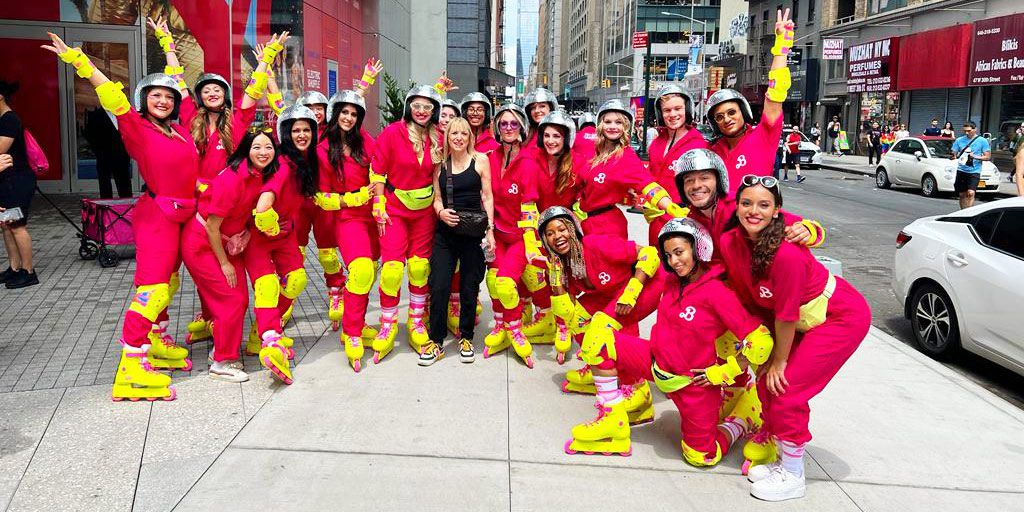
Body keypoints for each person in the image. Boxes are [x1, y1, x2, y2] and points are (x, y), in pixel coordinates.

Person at [44, 32, 206, 400]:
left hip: (185, 214)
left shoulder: (179, 131)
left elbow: (189, 172)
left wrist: (168, 46)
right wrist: (80, 62)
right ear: (144, 101)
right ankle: (131, 364)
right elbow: (111, 96)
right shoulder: (136, 127)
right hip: (158, 216)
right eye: (155, 95)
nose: (163, 100)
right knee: (153, 289)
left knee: (171, 283)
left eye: (168, 96)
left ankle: (157, 339)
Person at [564, 217, 773, 467]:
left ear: (698, 248)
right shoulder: (672, 280)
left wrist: (725, 371)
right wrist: (623, 300)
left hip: (693, 384)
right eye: (669, 255)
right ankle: (613, 423)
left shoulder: (717, 292)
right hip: (655, 363)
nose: (674, 261)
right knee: (598, 337)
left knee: (701, 457)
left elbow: (760, 341)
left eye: (679, 252)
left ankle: (742, 419)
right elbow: (643, 281)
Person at [719, 175, 870, 501]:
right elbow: (753, 299)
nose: (753, 211)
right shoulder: (731, 242)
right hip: (796, 322)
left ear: (777, 212)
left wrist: (780, 360)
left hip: (838, 318)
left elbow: (786, 314)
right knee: (764, 385)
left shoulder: (786, 253)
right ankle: (777, 454)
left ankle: (793, 473)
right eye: (747, 203)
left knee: (785, 388)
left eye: (763, 205)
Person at [149, 18, 285, 345]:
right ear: (199, 97)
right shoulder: (188, 117)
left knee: (225, 264)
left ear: (224, 95)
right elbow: (177, 79)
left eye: (217, 89)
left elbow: (254, 87)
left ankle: (221, 319)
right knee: (182, 268)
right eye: (206, 89)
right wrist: (167, 43)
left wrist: (267, 58)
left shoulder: (238, 119)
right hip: (191, 206)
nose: (211, 92)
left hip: (229, 204)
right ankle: (174, 328)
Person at [539, 206, 664, 415]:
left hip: (644, 284)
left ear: (572, 228)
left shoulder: (596, 244)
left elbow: (649, 255)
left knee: (602, 330)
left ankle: (638, 390)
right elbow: (564, 311)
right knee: (577, 319)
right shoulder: (563, 262)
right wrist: (555, 275)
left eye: (561, 229)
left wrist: (632, 292)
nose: (557, 237)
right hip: (607, 293)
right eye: (549, 234)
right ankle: (602, 368)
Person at [184, 125, 277, 383]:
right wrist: (224, 263)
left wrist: (245, 233)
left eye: (268, 147)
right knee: (230, 300)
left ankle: (220, 349)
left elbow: (247, 214)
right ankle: (223, 361)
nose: (263, 152)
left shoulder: (260, 175)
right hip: (203, 245)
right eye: (256, 146)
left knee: (240, 298)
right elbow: (213, 226)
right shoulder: (233, 178)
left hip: (228, 243)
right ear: (246, 150)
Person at [241, 106, 319, 384]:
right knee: (267, 286)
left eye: (306, 130)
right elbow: (262, 207)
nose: (301, 134)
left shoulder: (305, 162)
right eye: (296, 130)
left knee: (296, 281)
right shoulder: (284, 164)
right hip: (261, 237)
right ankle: (271, 339)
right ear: (286, 133)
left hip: (284, 235)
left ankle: (257, 333)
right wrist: (272, 226)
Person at [369, 85, 442, 362]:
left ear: (434, 111)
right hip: (395, 209)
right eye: (417, 106)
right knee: (391, 270)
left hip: (424, 212)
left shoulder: (439, 136)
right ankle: (387, 324)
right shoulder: (392, 133)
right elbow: (377, 170)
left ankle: (415, 321)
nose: (422, 111)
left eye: (428, 107)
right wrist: (378, 204)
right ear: (409, 107)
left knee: (420, 268)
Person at [316, 89, 385, 371]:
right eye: (344, 112)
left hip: (372, 216)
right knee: (361, 270)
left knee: (367, 272)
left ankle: (359, 320)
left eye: (354, 114)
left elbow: (380, 170)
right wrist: (351, 198)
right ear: (336, 114)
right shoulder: (322, 148)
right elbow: (319, 196)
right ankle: (352, 331)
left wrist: (379, 200)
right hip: (347, 218)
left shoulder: (365, 141)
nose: (348, 117)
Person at [422, 117, 495, 366]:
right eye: (454, 133)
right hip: (446, 232)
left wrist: (490, 230)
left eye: (464, 133)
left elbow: (487, 196)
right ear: (448, 136)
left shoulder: (481, 160)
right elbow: (437, 197)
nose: (459, 137)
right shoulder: (441, 164)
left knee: (469, 286)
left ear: (470, 137)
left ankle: (466, 337)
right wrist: (441, 212)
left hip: (473, 232)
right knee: (439, 284)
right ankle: (436, 341)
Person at [706, 9, 794, 196]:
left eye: (731, 112)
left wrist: (782, 46)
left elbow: (775, 94)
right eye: (719, 117)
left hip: (756, 220)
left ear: (743, 112)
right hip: (720, 223)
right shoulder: (712, 151)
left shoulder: (764, 135)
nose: (727, 119)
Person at [518, 111, 584, 352]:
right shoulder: (532, 158)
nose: (551, 140)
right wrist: (530, 240)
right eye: (546, 135)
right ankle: (557, 324)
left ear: (566, 137)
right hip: (542, 229)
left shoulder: (578, 161)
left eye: (557, 135)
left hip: (569, 228)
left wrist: (577, 220)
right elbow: (527, 201)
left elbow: (584, 196)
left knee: (572, 278)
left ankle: (568, 324)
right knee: (553, 277)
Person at [481, 103, 541, 368]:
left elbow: (530, 204)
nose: (508, 128)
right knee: (494, 282)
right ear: (496, 127)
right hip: (495, 234)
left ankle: (514, 328)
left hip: (518, 236)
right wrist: (487, 231)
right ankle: (499, 325)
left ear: (522, 128)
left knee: (506, 284)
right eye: (503, 124)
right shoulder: (489, 157)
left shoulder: (529, 161)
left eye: (513, 124)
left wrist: (529, 241)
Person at [575, 99, 685, 240]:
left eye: (618, 122)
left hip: (607, 227)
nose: (612, 126)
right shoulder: (596, 153)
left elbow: (647, 185)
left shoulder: (626, 156)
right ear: (600, 125)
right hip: (587, 223)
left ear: (626, 126)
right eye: (608, 122)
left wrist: (670, 207)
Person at [645, 84, 709, 245]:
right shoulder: (656, 144)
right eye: (667, 110)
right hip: (656, 221)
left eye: (678, 108)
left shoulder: (698, 145)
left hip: (684, 221)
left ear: (687, 110)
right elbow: (649, 180)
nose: (672, 114)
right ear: (661, 113)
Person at [0, 79, 39, 289]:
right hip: (6, 182)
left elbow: (0, 150)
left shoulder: (9, 120)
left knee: (17, 226)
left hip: (17, 182)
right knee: (6, 225)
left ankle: (28, 271)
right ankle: (14, 268)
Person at [83, 107, 132, 198]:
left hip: (121, 156)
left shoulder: (124, 114)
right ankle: (106, 209)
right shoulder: (96, 115)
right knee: (105, 186)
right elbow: (89, 135)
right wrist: (98, 151)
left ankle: (127, 209)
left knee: (124, 187)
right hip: (103, 156)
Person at [950, 121, 991, 209]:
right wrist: (953, 156)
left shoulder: (982, 141)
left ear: (975, 129)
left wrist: (975, 156)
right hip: (961, 170)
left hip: (974, 171)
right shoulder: (959, 140)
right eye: (965, 131)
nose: (966, 133)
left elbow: (987, 157)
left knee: (971, 193)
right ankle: (963, 212)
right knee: (962, 194)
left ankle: (969, 214)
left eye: (969, 130)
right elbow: (954, 153)